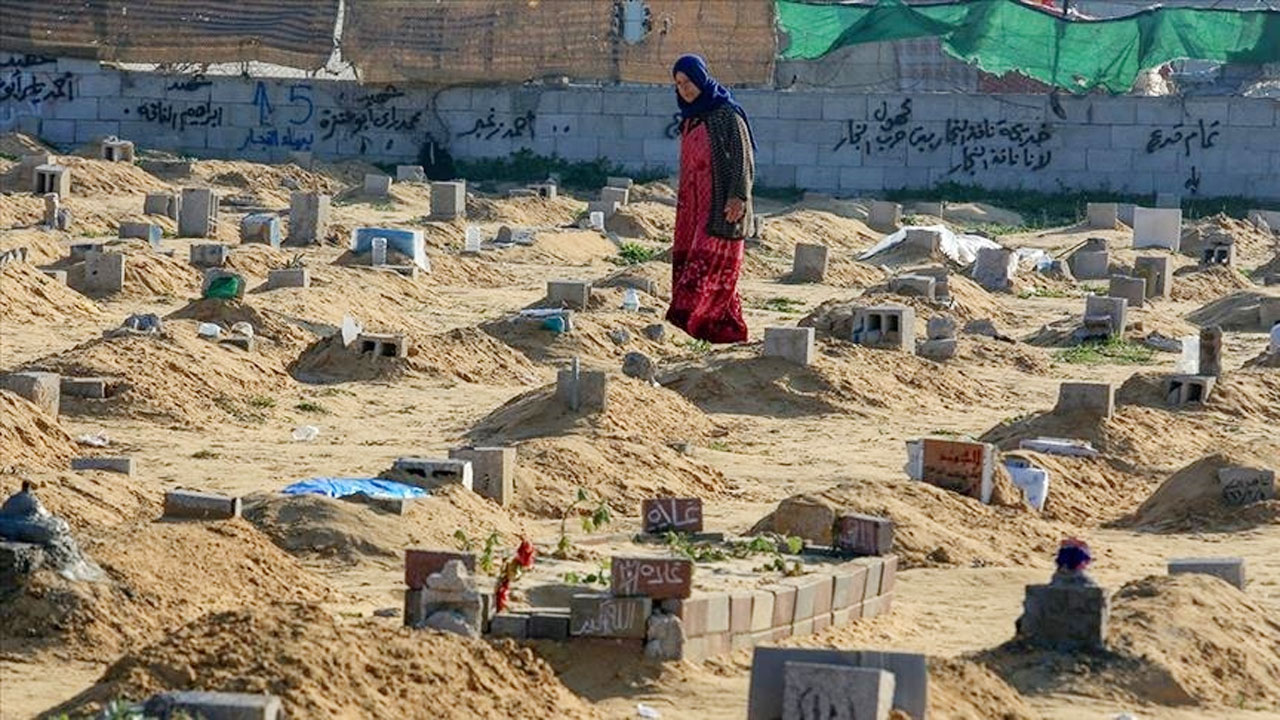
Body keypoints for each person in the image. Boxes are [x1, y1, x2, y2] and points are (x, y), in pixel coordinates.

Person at [665, 54, 756, 344]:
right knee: (693, 258)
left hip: (720, 206)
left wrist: (737, 197)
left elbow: (743, 157)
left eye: (688, 81)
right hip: (692, 208)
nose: (685, 88)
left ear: (701, 78)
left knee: (709, 263)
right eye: (679, 84)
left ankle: (692, 322)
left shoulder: (725, 113)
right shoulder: (690, 118)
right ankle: (722, 329)